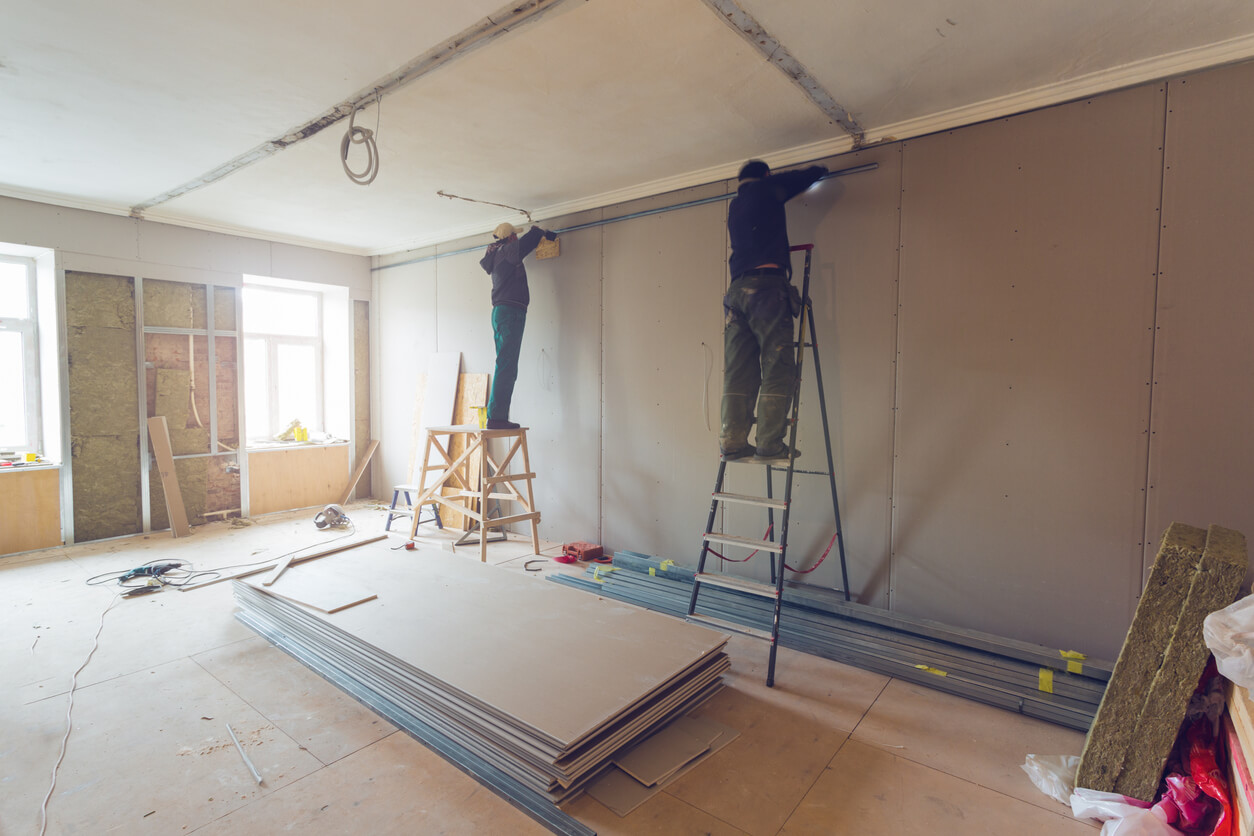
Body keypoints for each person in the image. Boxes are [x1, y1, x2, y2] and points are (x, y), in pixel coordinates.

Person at [720, 159, 827, 461]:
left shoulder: (735, 204)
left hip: (736, 293)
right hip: (765, 290)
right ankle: (769, 443)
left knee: (739, 371)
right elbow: (800, 178)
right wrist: (821, 171)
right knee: (777, 365)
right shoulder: (765, 189)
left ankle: (732, 442)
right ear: (765, 176)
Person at [479, 221, 557, 430]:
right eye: (515, 236)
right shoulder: (506, 251)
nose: (516, 239)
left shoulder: (496, 255)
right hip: (510, 313)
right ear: (511, 237)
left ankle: (497, 415)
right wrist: (540, 230)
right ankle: (496, 418)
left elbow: (525, 246)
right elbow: (527, 243)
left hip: (501, 313)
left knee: (505, 364)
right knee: (507, 365)